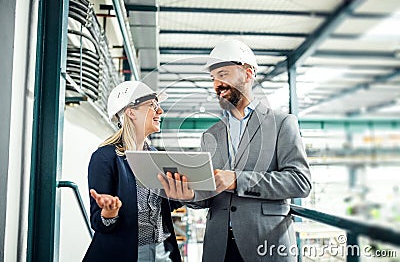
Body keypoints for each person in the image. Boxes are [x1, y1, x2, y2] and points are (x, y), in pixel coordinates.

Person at [159, 39, 312, 262]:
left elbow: (300, 182)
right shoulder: (211, 134)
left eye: (223, 74)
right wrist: (189, 195)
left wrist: (238, 180)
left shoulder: (281, 123)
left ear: (248, 74)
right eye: (213, 79)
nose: (216, 85)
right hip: (218, 247)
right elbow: (207, 195)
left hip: (265, 243)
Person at [83, 81, 182, 262]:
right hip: (126, 254)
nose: (160, 111)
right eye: (153, 105)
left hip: (162, 253)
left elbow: (163, 206)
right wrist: (109, 212)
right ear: (131, 112)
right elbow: (99, 222)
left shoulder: (154, 156)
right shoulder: (105, 158)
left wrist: (181, 193)